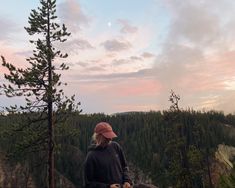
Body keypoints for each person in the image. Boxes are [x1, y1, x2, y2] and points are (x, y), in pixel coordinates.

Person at [84, 122, 132, 188]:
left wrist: (127, 181)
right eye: (107, 137)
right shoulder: (91, 156)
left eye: (111, 136)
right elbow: (89, 184)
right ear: (98, 136)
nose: (110, 139)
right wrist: (108, 187)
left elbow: (124, 167)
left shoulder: (115, 146)